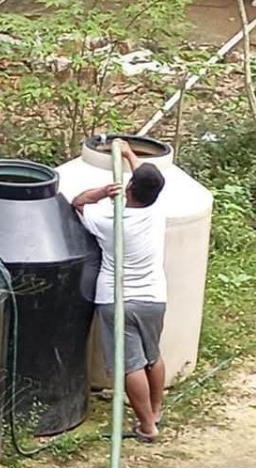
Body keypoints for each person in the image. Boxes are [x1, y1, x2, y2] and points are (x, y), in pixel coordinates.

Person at [72, 140, 167, 442]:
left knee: (130, 365)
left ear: (128, 189)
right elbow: (146, 179)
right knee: (153, 356)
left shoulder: (107, 218)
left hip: (116, 299)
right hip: (153, 297)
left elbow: (77, 202)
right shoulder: (157, 210)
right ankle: (156, 409)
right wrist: (129, 154)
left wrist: (102, 192)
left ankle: (147, 427)